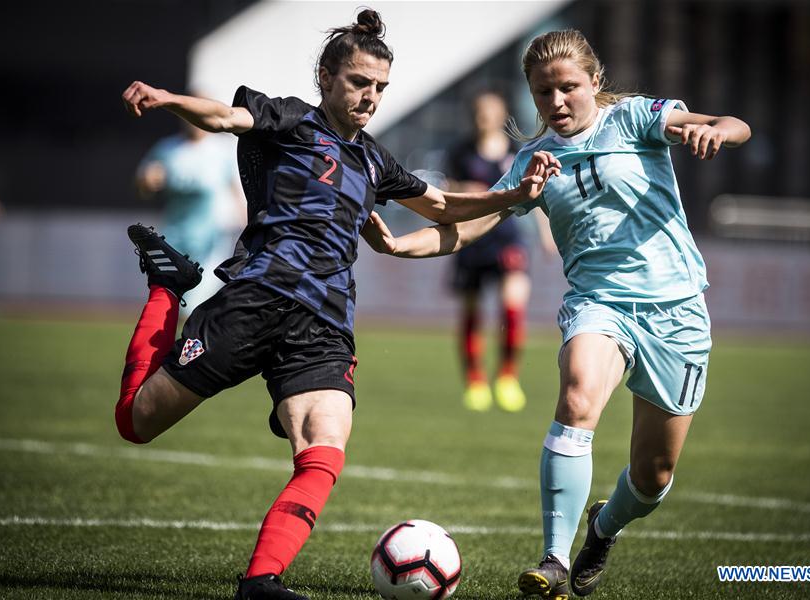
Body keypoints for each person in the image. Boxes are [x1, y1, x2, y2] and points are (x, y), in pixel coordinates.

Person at [117, 10, 555, 600]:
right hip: (256, 297)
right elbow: (223, 116)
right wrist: (169, 98)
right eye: (359, 83)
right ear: (327, 77)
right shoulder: (291, 118)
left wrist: (514, 197)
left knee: (324, 449)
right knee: (136, 423)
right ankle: (169, 287)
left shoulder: (376, 160)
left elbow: (446, 209)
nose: (370, 97)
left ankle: (261, 583)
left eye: (380, 88)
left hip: (323, 323)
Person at [364, 28, 750, 599]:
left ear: (594, 82)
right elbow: (466, 228)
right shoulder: (532, 164)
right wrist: (399, 245)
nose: (558, 102)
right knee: (577, 396)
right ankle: (554, 560)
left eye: (568, 87)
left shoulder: (637, 119)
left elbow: (733, 125)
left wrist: (711, 131)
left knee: (653, 478)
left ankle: (603, 528)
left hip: (678, 312)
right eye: (544, 93)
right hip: (599, 306)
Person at [444, 92, 545, 413]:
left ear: (501, 115)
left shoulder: (517, 152)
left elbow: (535, 192)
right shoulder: (460, 152)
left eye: (489, 112)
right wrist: (464, 191)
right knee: (472, 311)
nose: (483, 117)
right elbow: (446, 191)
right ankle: (475, 380)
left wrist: (546, 233)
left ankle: (507, 376)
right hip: (472, 239)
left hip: (507, 239)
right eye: (478, 111)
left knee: (512, 304)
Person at [135, 120, 244, 313]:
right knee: (167, 302)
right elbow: (143, 185)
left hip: (211, 241)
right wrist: (147, 181)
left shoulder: (222, 149)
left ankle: (187, 342)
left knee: (193, 307)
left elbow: (237, 189)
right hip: (174, 237)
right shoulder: (167, 148)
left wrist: (246, 221)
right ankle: (169, 343)